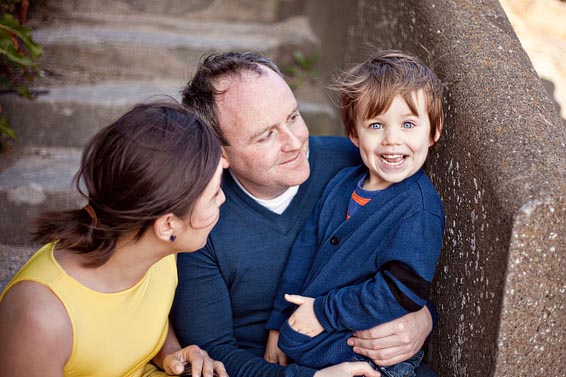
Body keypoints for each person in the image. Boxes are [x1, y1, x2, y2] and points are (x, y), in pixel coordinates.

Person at [171, 52, 437, 377]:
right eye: (267, 135)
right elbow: (213, 354)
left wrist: (423, 319)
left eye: (293, 117)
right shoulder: (200, 224)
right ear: (220, 151)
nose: (295, 142)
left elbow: (408, 274)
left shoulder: (356, 164)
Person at [0, 100, 229, 377]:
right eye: (215, 193)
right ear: (168, 225)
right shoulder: (41, 316)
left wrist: (171, 353)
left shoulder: (156, 250)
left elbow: (133, 320)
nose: (223, 198)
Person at [263, 51, 445, 377]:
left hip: (373, 355)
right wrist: (278, 322)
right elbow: (304, 251)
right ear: (354, 134)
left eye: (408, 124)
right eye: (376, 125)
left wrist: (323, 312)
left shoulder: (417, 208)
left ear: (433, 132)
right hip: (316, 341)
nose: (392, 140)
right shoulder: (341, 184)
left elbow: (401, 291)